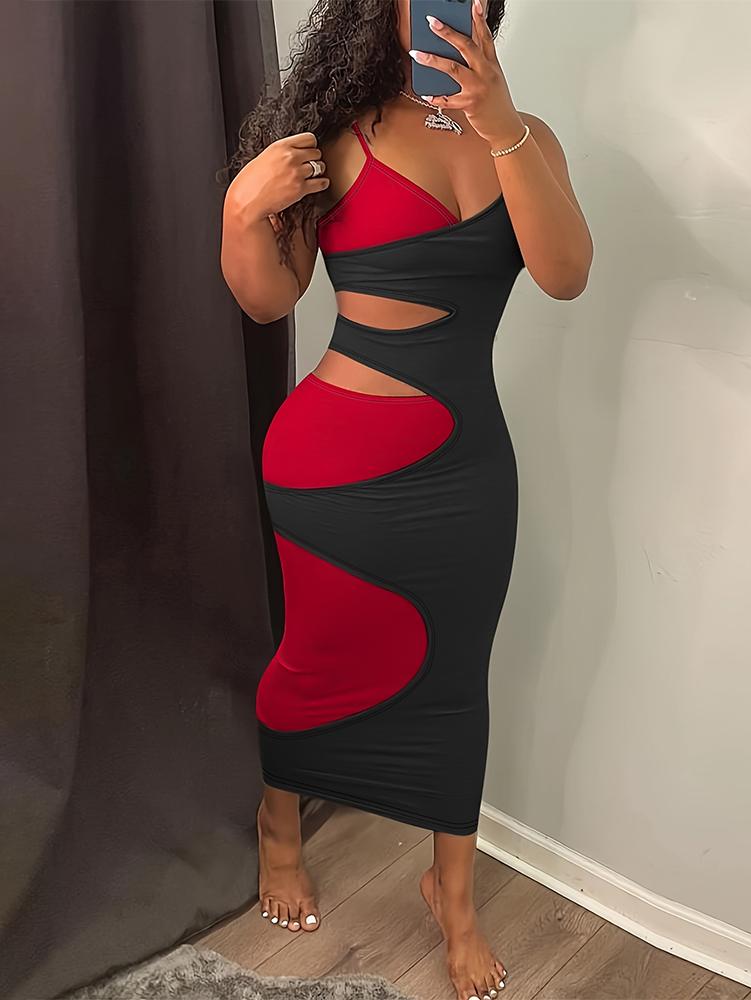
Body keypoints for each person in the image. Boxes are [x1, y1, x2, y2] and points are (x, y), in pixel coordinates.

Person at [220, 1, 592, 996]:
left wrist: (501, 125)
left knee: (457, 679)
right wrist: (242, 210)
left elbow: (564, 275)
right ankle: (279, 828)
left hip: (466, 471)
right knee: (313, 658)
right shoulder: (338, 133)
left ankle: (451, 895)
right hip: (329, 465)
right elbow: (267, 298)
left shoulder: (525, 137)